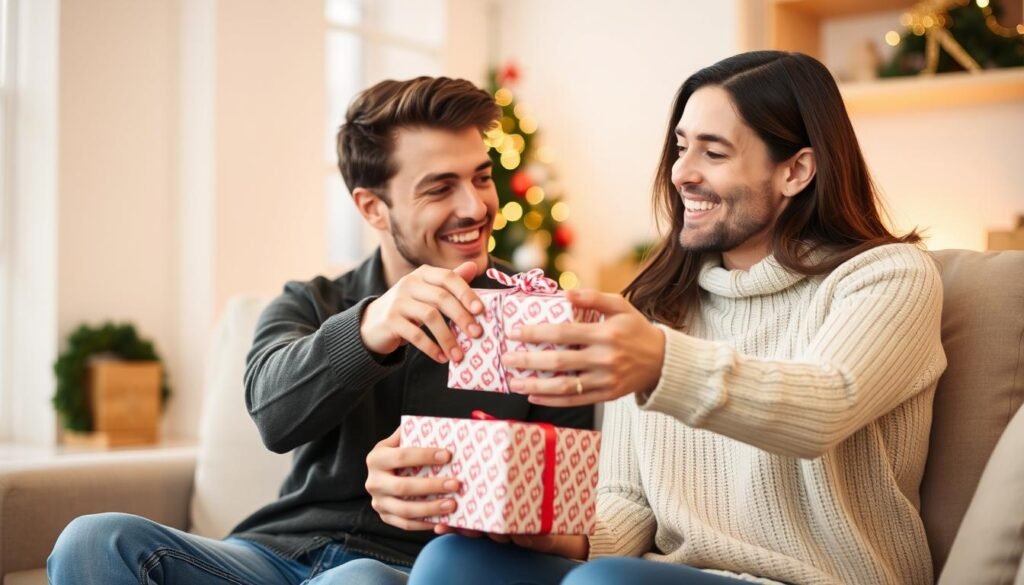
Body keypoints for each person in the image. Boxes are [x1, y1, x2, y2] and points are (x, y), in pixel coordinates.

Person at [408, 51, 946, 585]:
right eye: (681, 148)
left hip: (820, 580)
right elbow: (626, 502)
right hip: (656, 577)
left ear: (796, 170)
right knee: (451, 560)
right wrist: (547, 530)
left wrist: (661, 364)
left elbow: (824, 406)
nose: (682, 173)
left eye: (713, 153)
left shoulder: (886, 277)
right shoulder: (659, 304)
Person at [46, 76, 593, 585]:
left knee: (355, 580)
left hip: (405, 570)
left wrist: (474, 499)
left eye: (480, 177)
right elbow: (273, 417)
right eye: (440, 188)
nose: (476, 206)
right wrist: (370, 326)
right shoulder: (310, 302)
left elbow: (570, 526)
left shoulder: (537, 317)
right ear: (372, 207)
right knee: (93, 540)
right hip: (271, 556)